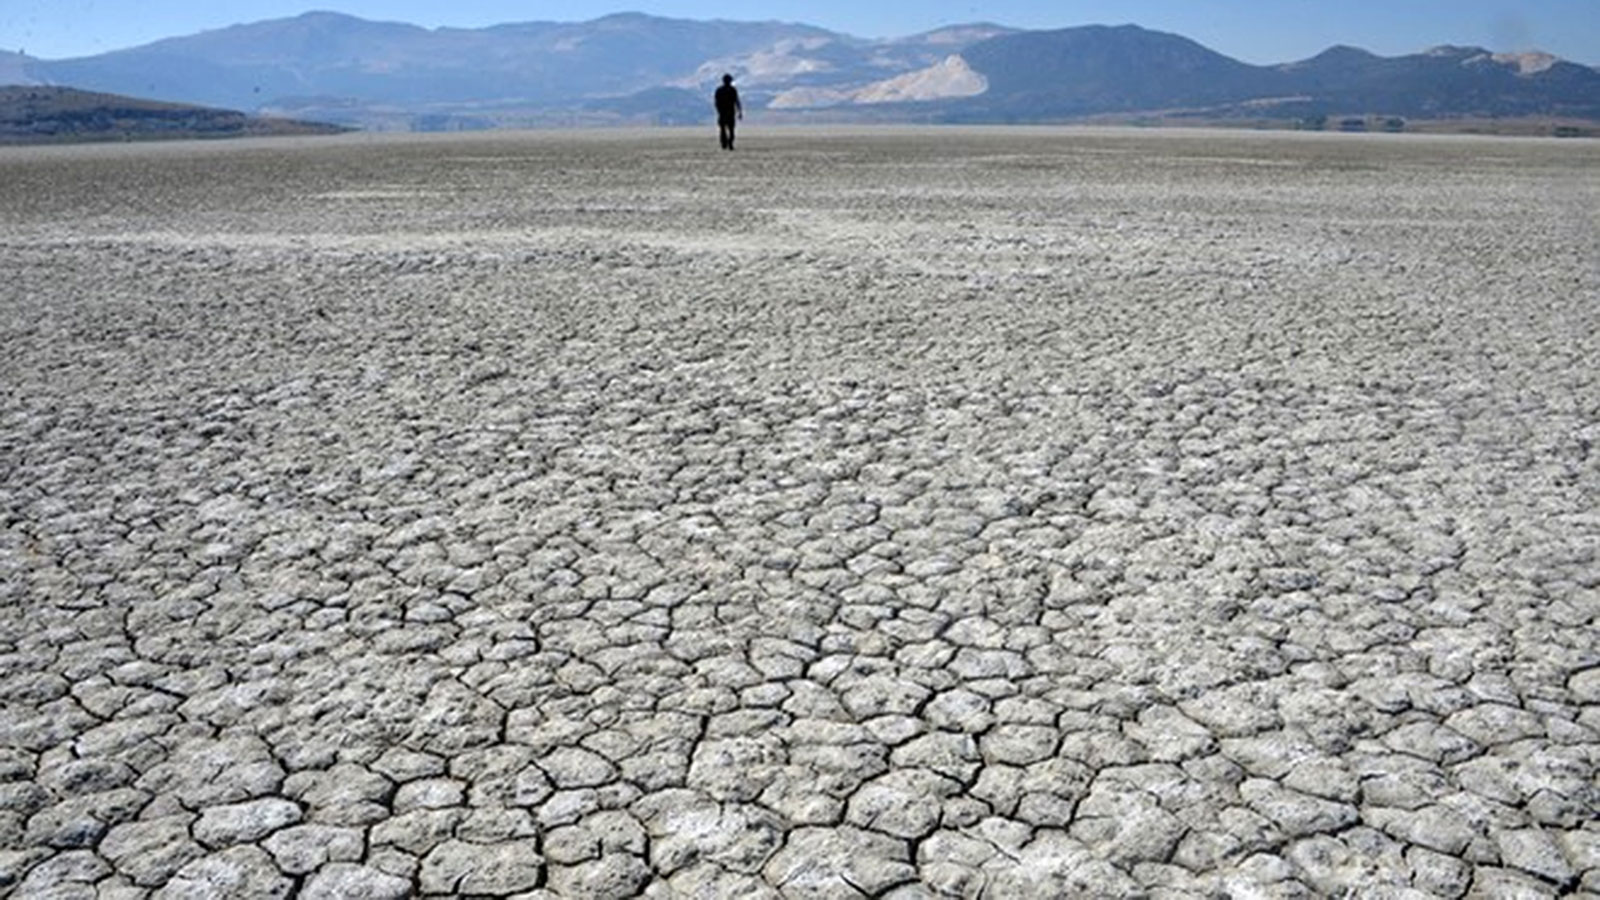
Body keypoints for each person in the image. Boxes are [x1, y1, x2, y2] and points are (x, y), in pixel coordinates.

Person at [714, 74, 742, 151]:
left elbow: (737, 101)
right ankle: (726, 143)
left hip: (728, 113)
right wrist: (739, 111)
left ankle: (728, 143)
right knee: (726, 130)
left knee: (729, 130)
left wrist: (739, 111)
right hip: (725, 113)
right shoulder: (724, 90)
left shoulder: (731, 90)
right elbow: (716, 102)